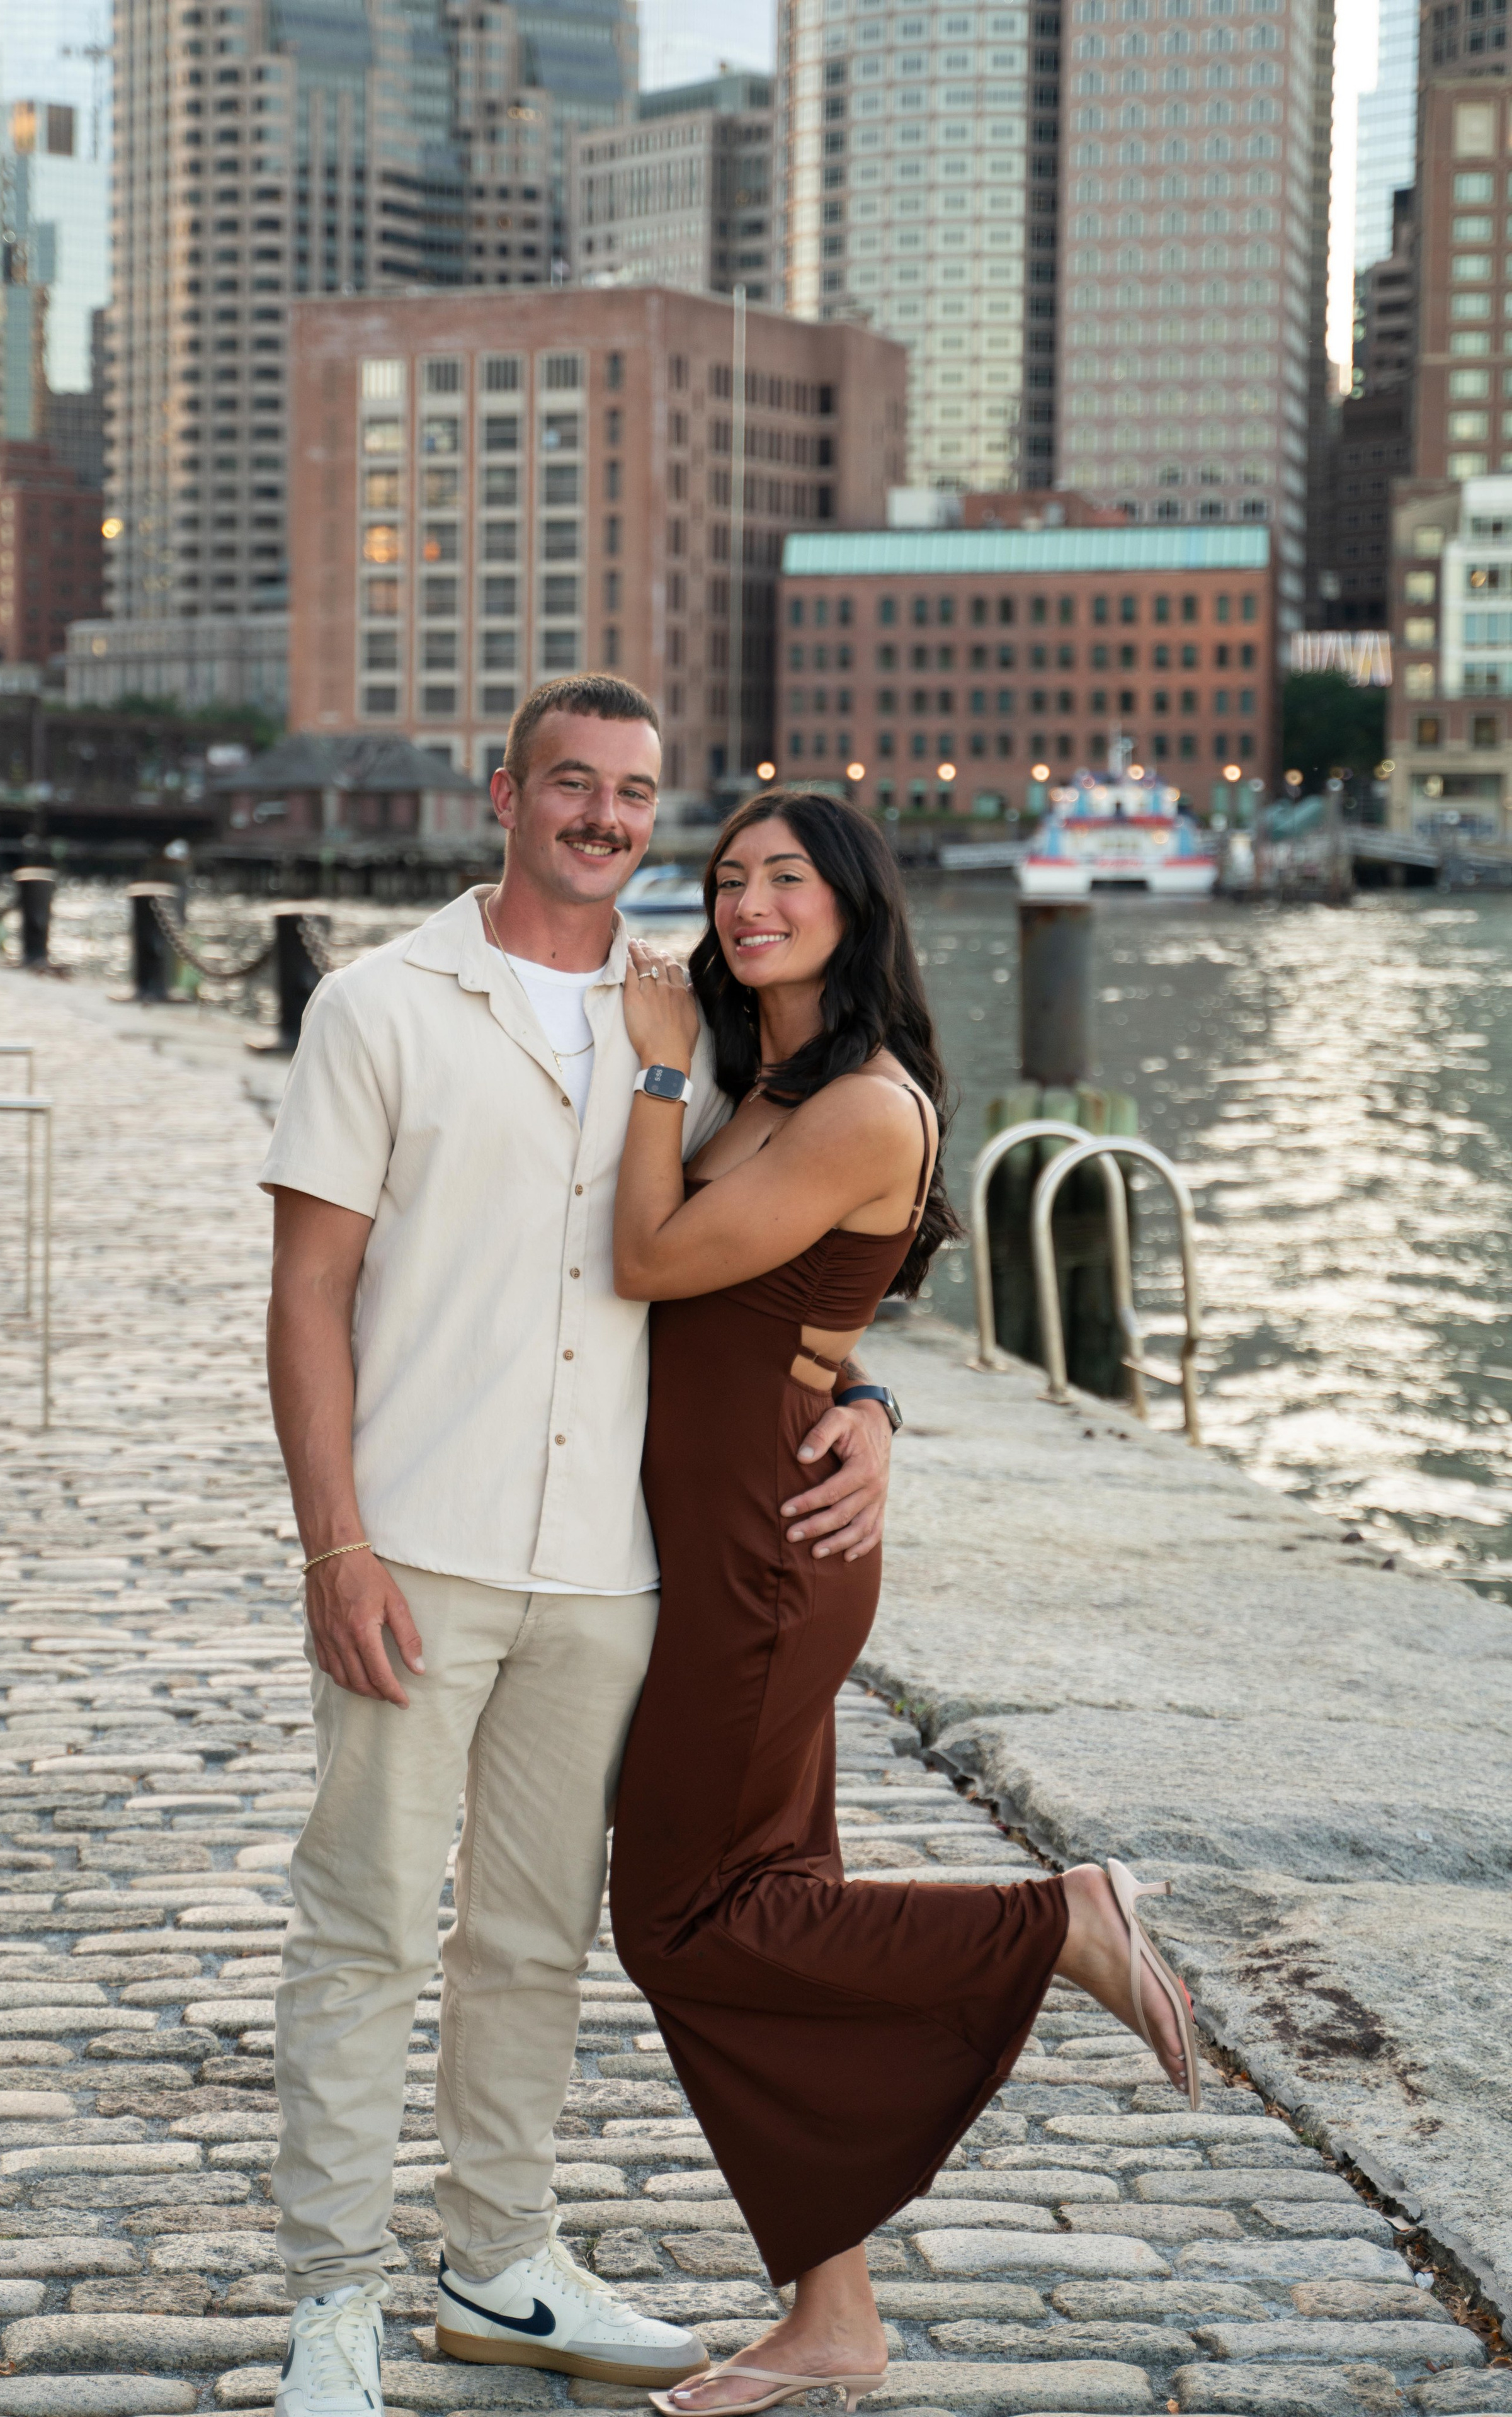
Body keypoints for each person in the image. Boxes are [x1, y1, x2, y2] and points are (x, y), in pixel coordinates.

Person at [258, 681, 898, 2417]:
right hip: (424, 1540)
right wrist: (336, 1547)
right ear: (507, 795)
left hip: (613, 1570)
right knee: (369, 1925)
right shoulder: (384, 1007)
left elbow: (789, 1258)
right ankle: (333, 2299)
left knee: (537, 1938)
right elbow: (307, 1295)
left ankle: (501, 2262)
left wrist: (874, 1402)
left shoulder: (704, 1027)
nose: (608, 818)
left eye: (635, 793)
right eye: (573, 785)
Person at [607, 788, 1203, 2417]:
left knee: (682, 1920)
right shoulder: (781, 1079)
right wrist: (866, 1398)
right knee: (770, 1910)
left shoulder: (861, 1105)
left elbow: (656, 1265)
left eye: (787, 879)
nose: (747, 903)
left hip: (756, 1562)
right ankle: (834, 2316)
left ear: (858, 905)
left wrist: (661, 1066)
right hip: (752, 1527)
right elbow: (788, 1318)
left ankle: (1055, 1920)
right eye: (729, 877)